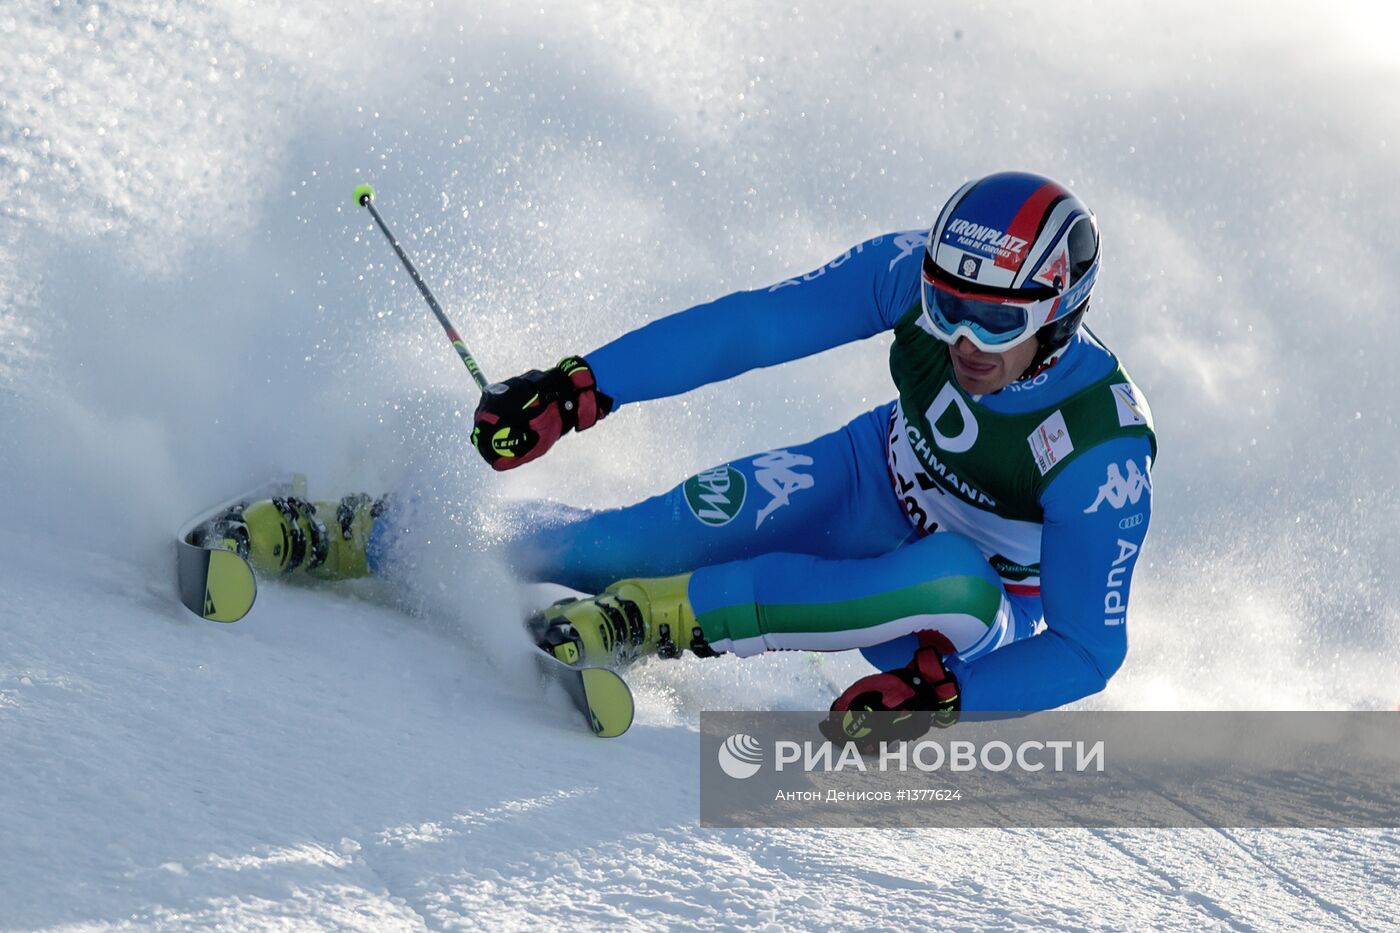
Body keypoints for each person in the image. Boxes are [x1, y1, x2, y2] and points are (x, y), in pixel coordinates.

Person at [229, 171, 1156, 746]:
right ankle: (365, 533)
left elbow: (1086, 648)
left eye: (996, 321)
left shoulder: (1101, 445)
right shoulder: (906, 270)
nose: (961, 337)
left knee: (953, 575)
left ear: (1062, 313)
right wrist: (583, 386)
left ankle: (655, 622)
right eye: (945, 305)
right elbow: (752, 325)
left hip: (953, 618)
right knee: (626, 538)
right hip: (866, 475)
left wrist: (947, 696)